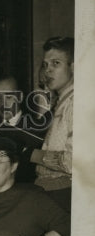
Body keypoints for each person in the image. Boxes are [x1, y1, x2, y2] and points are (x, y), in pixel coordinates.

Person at [29, 35, 74, 208]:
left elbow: (73, 162)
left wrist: (32, 155)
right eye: (46, 65)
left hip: (61, 193)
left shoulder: (76, 102)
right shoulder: (60, 102)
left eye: (56, 63)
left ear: (74, 66)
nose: (48, 70)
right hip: (48, 191)